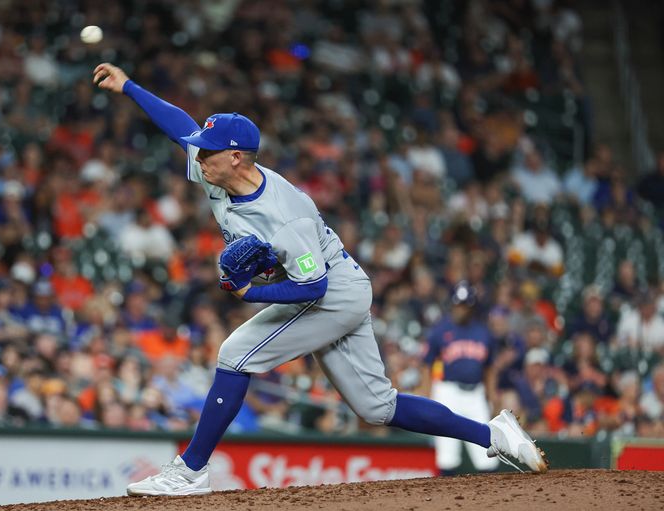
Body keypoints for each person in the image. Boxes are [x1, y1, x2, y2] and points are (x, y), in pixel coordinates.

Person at [93, 62, 548, 496]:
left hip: (334, 293)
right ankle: (494, 433)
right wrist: (130, 87)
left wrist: (252, 292)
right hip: (342, 285)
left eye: (208, 151)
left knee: (234, 355)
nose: (198, 155)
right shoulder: (219, 169)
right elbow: (181, 126)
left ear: (236, 157)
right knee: (377, 407)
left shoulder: (282, 216)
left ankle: (191, 470)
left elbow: (314, 288)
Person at [420, 282, 499, 475]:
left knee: (487, 454)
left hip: (476, 393)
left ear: (471, 307)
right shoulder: (441, 329)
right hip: (448, 392)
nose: (460, 309)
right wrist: (425, 394)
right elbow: (427, 364)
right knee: (447, 455)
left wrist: (492, 395)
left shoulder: (483, 332)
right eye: (458, 304)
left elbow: (490, 368)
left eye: (464, 305)